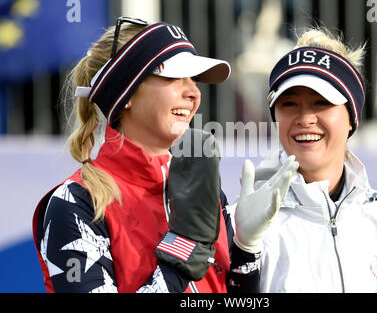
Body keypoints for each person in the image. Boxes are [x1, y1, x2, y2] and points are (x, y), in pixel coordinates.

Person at [32, 17, 298, 293]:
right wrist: (179, 257)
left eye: (193, 79)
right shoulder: (75, 202)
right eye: (173, 77)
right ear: (127, 92)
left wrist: (246, 249)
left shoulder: (199, 183)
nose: (193, 93)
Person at [233, 27, 377, 292]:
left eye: (321, 102)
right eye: (289, 104)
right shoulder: (242, 222)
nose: (305, 119)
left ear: (352, 118)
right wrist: (243, 250)